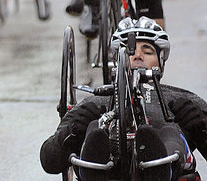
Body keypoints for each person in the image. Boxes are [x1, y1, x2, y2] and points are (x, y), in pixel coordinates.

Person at [40, 17, 207, 181]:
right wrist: (73, 130)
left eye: (147, 51)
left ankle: (161, 170)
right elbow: (49, 160)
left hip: (166, 162)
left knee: (169, 131)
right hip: (108, 164)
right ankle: (93, 171)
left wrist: (201, 124)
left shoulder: (179, 99)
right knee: (95, 130)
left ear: (160, 62)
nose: (137, 56)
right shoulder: (96, 102)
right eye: (129, 51)